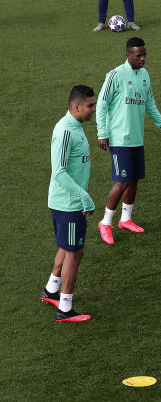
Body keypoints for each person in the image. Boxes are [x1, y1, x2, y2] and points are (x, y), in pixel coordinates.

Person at [95, 37, 161, 245]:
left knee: (134, 180)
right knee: (121, 181)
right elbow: (102, 105)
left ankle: (126, 219)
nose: (143, 58)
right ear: (127, 54)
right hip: (119, 138)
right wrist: (102, 133)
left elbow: (150, 104)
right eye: (138, 55)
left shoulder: (145, 75)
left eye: (144, 54)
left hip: (136, 139)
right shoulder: (115, 75)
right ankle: (105, 223)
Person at [42, 86, 98, 322]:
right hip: (68, 204)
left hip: (69, 202)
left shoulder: (76, 126)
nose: (94, 110)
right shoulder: (66, 130)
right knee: (75, 252)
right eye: (90, 106)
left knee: (67, 247)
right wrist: (83, 197)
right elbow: (60, 173)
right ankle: (65, 308)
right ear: (76, 107)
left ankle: (51, 289)